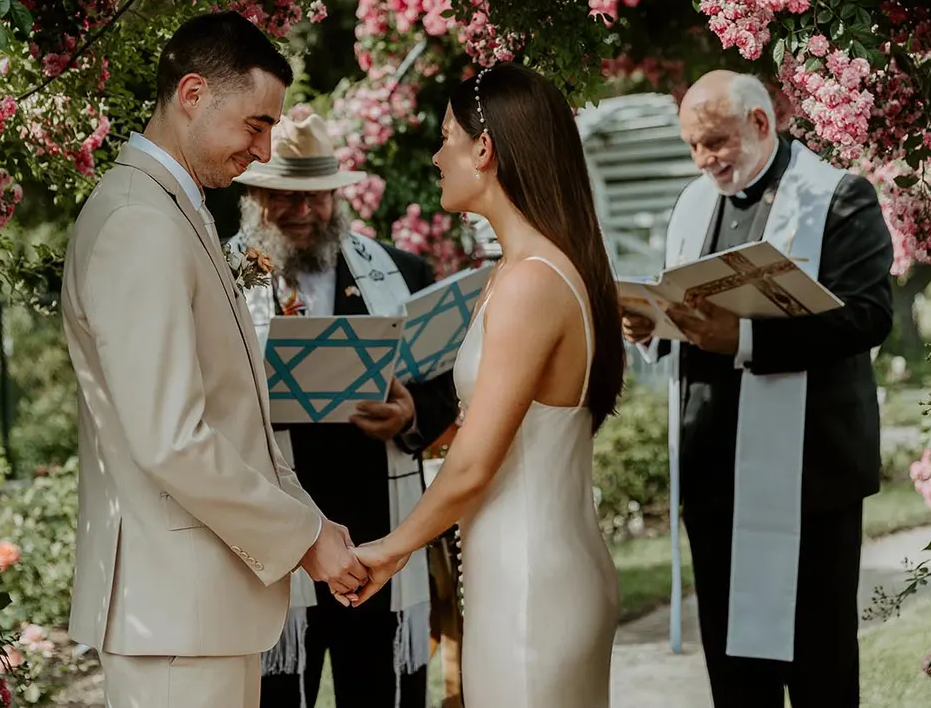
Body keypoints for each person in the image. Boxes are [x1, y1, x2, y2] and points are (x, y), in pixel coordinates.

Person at [59, 12, 367, 708]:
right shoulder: (141, 221)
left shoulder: (178, 209)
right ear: (193, 94)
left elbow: (237, 412)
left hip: (197, 613)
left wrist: (309, 513)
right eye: (255, 124)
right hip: (173, 618)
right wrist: (303, 535)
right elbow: (174, 438)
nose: (262, 151)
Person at [351, 62, 627, 708]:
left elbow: (476, 463)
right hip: (524, 571)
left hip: (532, 584)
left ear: (485, 147)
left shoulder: (532, 281)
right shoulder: (524, 269)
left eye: (447, 135)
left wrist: (389, 551)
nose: (436, 153)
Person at [622, 70, 893, 708]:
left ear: (762, 124)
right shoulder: (694, 203)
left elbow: (868, 315)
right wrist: (650, 325)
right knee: (735, 672)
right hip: (717, 473)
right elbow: (685, 312)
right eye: (693, 145)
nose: (704, 160)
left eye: (715, 142)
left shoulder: (839, 197)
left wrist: (744, 339)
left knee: (821, 664)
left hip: (811, 475)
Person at [227, 113, 458, 708]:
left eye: (318, 198)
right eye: (286, 197)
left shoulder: (399, 273)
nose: (305, 212)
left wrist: (409, 415)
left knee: (380, 692)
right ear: (255, 195)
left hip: (377, 527)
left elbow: (443, 386)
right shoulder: (220, 276)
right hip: (278, 528)